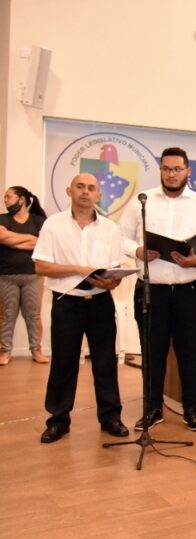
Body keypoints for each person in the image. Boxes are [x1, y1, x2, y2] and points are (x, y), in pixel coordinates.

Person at [120, 147, 196, 432]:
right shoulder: (142, 202)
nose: (171, 174)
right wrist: (137, 250)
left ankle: (191, 410)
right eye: (166, 169)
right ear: (160, 171)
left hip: (189, 291)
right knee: (152, 353)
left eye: (177, 169)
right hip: (151, 291)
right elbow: (120, 238)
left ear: (188, 171)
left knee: (190, 353)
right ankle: (152, 409)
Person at [34, 174, 127, 443]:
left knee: (105, 362)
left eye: (91, 188)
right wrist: (76, 269)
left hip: (100, 302)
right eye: (80, 187)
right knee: (63, 363)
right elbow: (41, 266)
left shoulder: (110, 229)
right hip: (67, 302)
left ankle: (110, 417)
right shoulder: (53, 224)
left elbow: (116, 271)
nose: (85, 192)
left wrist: (111, 282)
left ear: (99, 195)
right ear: (69, 191)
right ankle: (58, 420)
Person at [0, 186, 48, 365]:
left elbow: (43, 243)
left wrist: (12, 240)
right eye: (4, 197)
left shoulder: (38, 220)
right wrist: (31, 239)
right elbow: (2, 237)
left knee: (33, 316)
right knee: (7, 316)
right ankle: (5, 352)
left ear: (21, 200)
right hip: (6, 276)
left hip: (33, 276)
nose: (5, 200)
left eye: (8, 196)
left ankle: (36, 351)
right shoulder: (2, 219)